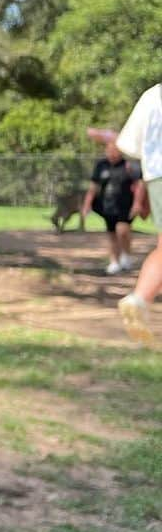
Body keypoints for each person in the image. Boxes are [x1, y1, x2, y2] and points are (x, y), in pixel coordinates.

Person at [116, 83, 162, 345]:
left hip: (156, 176)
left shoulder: (153, 94)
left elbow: (129, 145)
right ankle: (140, 298)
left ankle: (139, 300)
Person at [81, 134, 140, 274]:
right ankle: (114, 261)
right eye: (109, 150)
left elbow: (139, 186)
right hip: (107, 205)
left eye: (115, 150)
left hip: (126, 204)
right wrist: (87, 204)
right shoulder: (101, 166)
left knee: (123, 230)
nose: (112, 153)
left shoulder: (129, 166)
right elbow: (93, 186)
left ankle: (126, 255)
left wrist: (138, 203)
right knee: (112, 234)